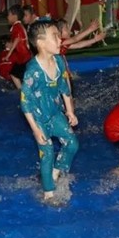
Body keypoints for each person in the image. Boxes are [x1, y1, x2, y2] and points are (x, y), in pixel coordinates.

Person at [20, 20, 79, 204]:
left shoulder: (59, 61)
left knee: (72, 143)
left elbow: (64, 88)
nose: (60, 40)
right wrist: (35, 129)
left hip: (55, 113)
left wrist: (70, 111)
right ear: (41, 43)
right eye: (55, 36)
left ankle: (56, 171)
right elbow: (25, 102)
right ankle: (48, 194)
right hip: (39, 118)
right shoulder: (33, 71)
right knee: (47, 153)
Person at [4, 4, 32, 89]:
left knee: (14, 74)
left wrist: (8, 54)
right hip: (25, 56)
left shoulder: (16, 26)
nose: (7, 17)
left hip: (23, 57)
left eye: (9, 15)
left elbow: (17, 39)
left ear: (14, 16)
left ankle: (21, 91)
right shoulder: (20, 26)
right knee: (21, 74)